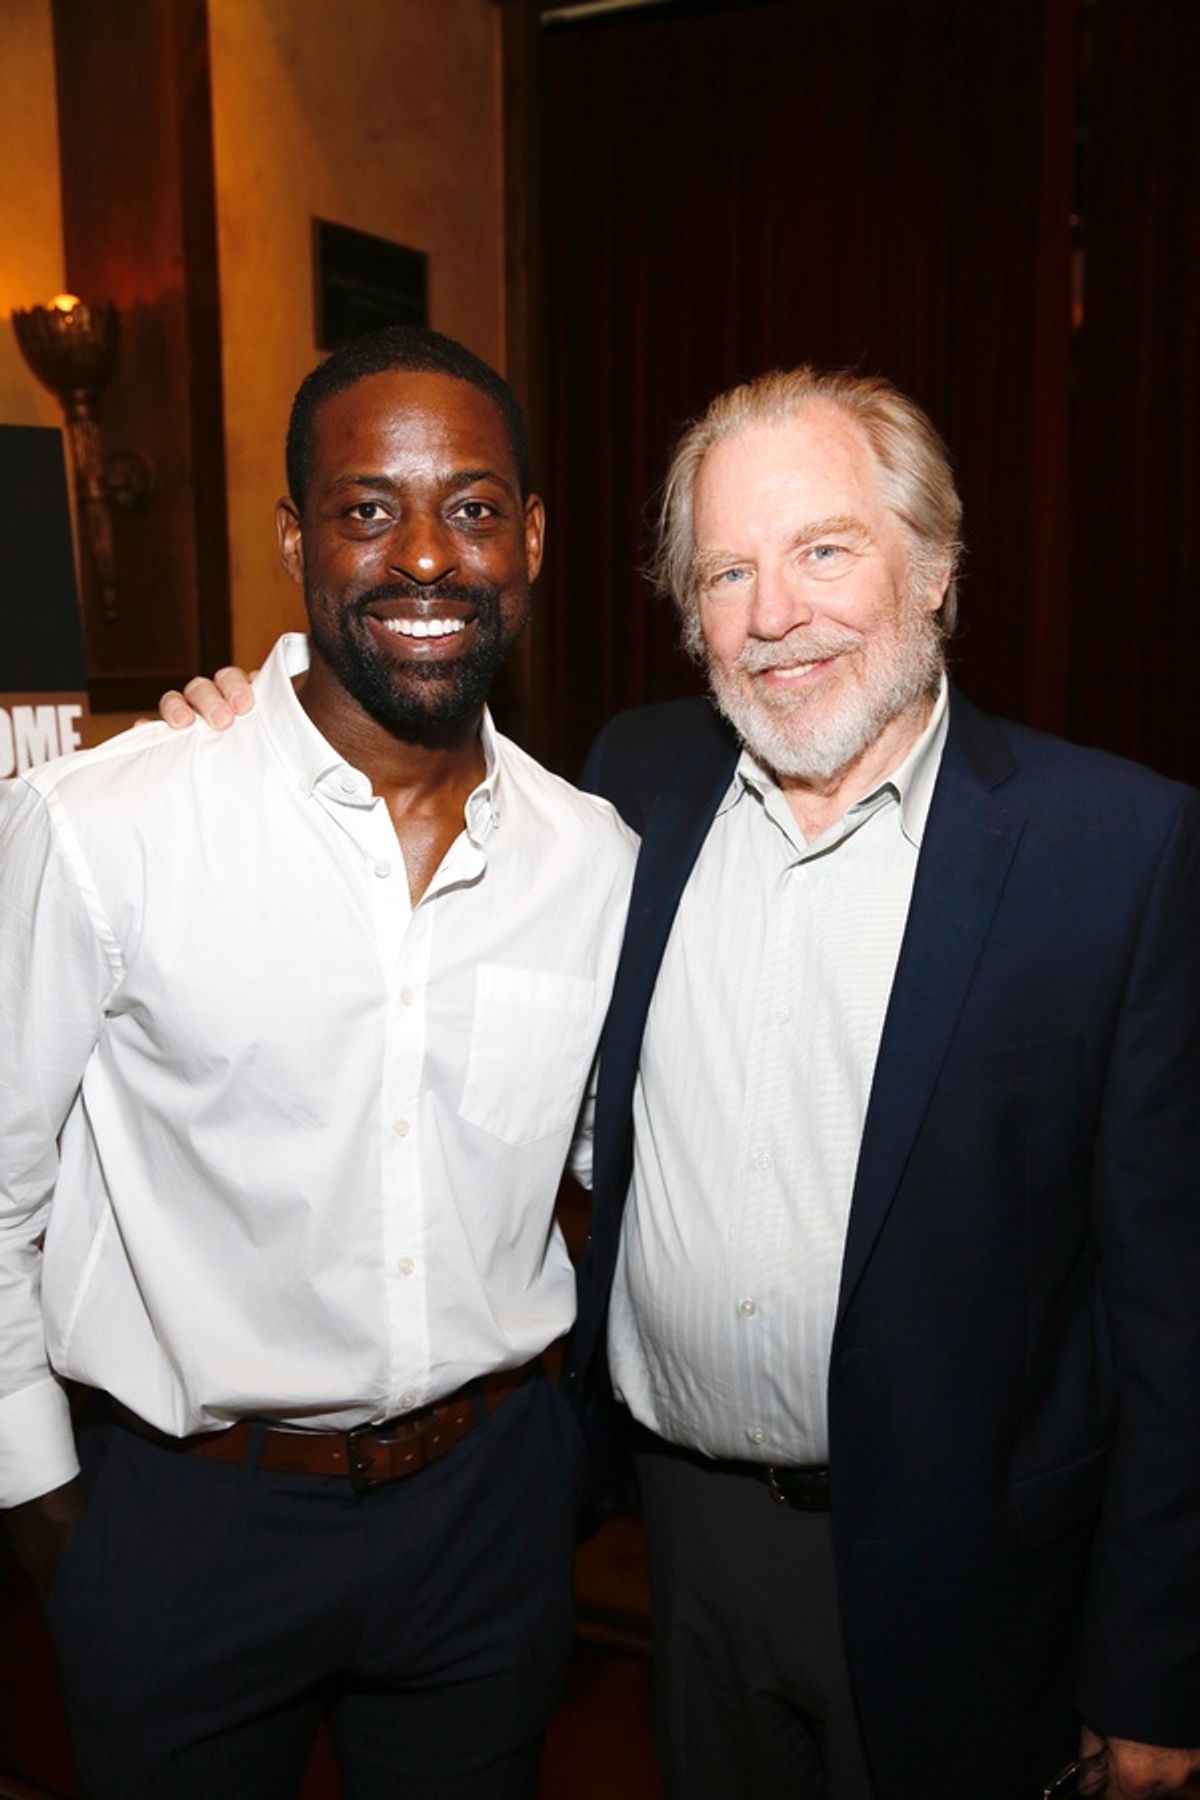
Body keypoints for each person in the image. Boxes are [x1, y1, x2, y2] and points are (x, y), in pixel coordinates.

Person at [160, 365, 1200, 1800]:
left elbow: (1173, 1315)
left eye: (824, 550)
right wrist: (244, 726)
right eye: (727, 569)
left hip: (976, 1577)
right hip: (679, 1549)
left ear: (938, 567)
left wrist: (1155, 1666)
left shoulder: (1117, 855)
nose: (776, 614)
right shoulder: (630, 790)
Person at [0, 325, 636, 1800]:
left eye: (474, 507)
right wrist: (44, 1504)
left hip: (489, 1515)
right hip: (188, 1526)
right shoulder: (110, 826)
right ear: (296, 537)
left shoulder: (591, 860)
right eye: (368, 509)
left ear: (531, 538)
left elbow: (623, 1162)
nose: (426, 555)